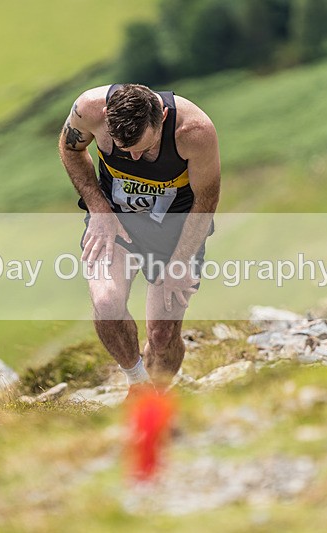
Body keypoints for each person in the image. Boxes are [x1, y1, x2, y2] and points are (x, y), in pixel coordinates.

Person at [58, 83, 220, 393]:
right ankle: (138, 384)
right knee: (107, 304)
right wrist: (98, 207)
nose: (133, 157)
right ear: (106, 117)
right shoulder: (90, 108)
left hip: (176, 229)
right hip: (115, 221)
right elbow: (70, 147)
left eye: (144, 149)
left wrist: (181, 262)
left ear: (163, 116)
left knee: (161, 335)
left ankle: (157, 393)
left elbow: (206, 202)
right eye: (123, 147)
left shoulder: (195, 131)